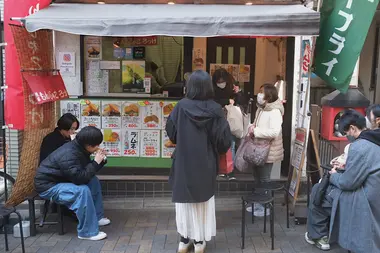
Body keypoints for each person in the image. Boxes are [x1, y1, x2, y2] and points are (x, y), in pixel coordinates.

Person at [166, 70, 231, 253]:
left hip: (184, 161)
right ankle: (199, 241)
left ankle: (184, 240)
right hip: (206, 162)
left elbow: (171, 132)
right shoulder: (216, 109)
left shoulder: (181, 106)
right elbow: (224, 142)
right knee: (203, 202)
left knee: (183, 201)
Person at [305, 110, 380, 253]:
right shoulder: (374, 139)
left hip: (364, 197)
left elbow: (348, 183)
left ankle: (319, 236)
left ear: (352, 128)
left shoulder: (360, 146)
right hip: (375, 191)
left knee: (318, 192)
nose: (346, 137)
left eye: (345, 133)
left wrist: (333, 175)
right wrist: (346, 166)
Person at [34, 126, 111, 241]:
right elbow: (79, 179)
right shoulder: (69, 154)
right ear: (88, 145)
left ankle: (97, 217)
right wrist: (95, 162)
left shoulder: (79, 148)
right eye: (96, 145)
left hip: (61, 180)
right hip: (48, 186)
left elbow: (85, 173)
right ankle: (87, 232)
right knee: (82, 191)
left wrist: (101, 160)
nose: (97, 148)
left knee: (93, 181)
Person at [247, 84, 284, 216]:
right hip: (258, 149)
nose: (259, 95)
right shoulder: (262, 109)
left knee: (264, 179)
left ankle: (265, 206)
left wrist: (256, 131)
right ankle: (258, 203)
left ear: (269, 95)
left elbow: (274, 132)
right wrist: (252, 127)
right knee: (257, 177)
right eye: (259, 91)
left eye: (262, 92)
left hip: (268, 150)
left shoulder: (274, 111)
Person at [39, 113, 79, 219]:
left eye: (75, 129)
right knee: (80, 183)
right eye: (72, 129)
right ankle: (72, 210)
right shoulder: (51, 140)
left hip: (63, 171)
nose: (73, 132)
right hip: (53, 176)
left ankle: (73, 209)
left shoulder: (68, 138)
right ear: (63, 128)